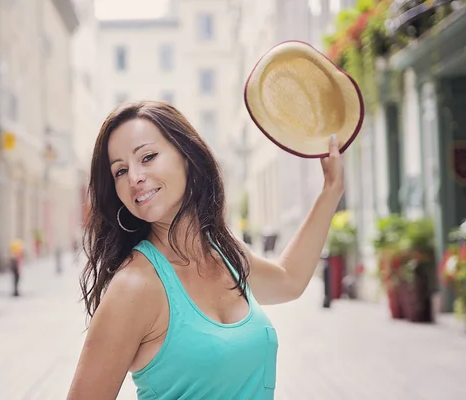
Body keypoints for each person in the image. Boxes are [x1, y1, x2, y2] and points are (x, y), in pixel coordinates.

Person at [67, 101, 344, 399]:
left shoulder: (223, 253)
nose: (134, 177)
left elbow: (289, 279)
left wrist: (331, 190)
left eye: (147, 157)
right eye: (120, 171)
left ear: (187, 156)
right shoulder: (134, 286)